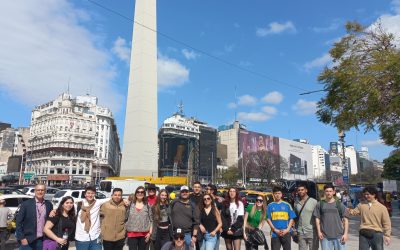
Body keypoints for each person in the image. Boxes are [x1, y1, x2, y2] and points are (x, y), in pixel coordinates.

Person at [16, 183, 53, 250]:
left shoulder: (49, 204)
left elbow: (50, 220)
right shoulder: (26, 204)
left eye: (42, 190)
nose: (40, 192)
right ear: (35, 191)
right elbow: (18, 222)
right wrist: (22, 238)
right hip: (27, 240)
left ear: (45, 191)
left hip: (42, 240)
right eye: (38, 190)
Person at [313, 183, 349, 250]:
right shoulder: (320, 204)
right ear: (324, 192)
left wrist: (345, 234)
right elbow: (317, 219)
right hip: (325, 237)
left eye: (330, 191)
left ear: (333, 192)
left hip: (339, 236)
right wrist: (319, 232)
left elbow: (345, 220)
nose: (328, 193)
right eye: (327, 191)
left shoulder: (340, 205)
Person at [75, 186, 110, 250]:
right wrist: (54, 210)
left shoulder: (97, 203)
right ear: (85, 194)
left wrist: (123, 199)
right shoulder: (78, 204)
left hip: (95, 237)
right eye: (88, 193)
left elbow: (111, 199)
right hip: (82, 238)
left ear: (95, 194)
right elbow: (65, 208)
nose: (90, 195)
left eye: (92, 193)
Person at [267, 186, 296, 250]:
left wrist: (287, 230)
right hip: (275, 233)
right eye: (276, 193)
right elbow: (268, 219)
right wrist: (275, 229)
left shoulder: (287, 205)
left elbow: (292, 218)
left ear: (281, 194)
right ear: (273, 194)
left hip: (286, 232)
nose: (277, 195)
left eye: (279, 193)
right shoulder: (270, 205)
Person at [126, 186, 153, 250]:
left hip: (144, 235)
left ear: (144, 194)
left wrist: (150, 233)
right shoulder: (130, 204)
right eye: (138, 192)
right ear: (135, 193)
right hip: (132, 234)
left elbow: (151, 220)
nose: (140, 193)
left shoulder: (147, 205)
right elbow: (125, 218)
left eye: (142, 192)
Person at [294, 183, 318, 250]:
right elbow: (295, 217)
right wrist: (294, 229)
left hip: (312, 232)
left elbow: (318, 217)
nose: (300, 191)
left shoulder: (314, 202)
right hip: (300, 232)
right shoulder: (296, 203)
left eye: (302, 190)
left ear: (306, 190)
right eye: (299, 190)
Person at [205, 184, 223, 250]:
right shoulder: (204, 199)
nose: (206, 190)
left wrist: (220, 226)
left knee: (216, 246)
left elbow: (220, 214)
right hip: (206, 226)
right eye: (206, 189)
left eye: (208, 189)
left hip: (216, 226)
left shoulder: (218, 200)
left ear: (212, 191)